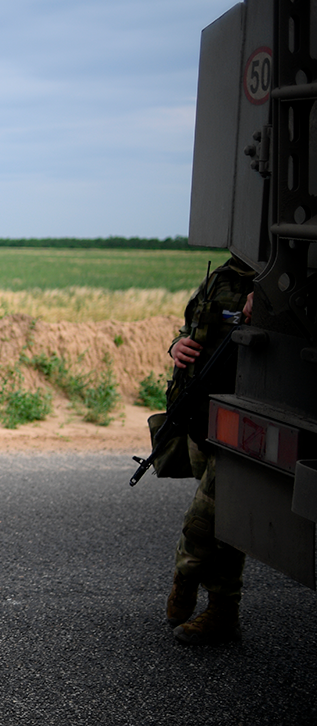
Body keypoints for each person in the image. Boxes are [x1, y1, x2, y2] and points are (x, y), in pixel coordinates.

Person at [164, 254, 255, 645]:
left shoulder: (280, 282)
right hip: (203, 413)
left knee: (206, 517)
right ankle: (223, 612)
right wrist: (177, 346)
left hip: (244, 414)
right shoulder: (224, 276)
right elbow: (194, 328)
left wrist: (268, 307)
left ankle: (187, 579)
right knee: (227, 518)